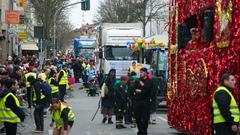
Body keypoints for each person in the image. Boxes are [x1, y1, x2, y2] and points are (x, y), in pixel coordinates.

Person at [134, 68, 153, 135]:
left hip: (146, 102)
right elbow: (135, 89)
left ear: (145, 73)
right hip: (138, 101)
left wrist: (142, 87)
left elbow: (148, 90)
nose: (141, 73)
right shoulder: (137, 80)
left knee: (145, 118)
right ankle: (140, 130)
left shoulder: (149, 81)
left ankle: (144, 131)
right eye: (140, 72)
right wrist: (142, 90)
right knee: (137, 117)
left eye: (142, 72)